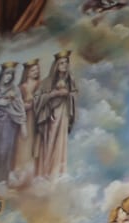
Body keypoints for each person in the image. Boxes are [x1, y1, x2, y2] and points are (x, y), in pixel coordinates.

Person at [33, 51, 77, 180]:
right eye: (61, 63)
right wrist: (52, 95)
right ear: (56, 65)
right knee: (49, 143)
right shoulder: (47, 82)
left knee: (60, 143)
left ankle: (57, 172)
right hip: (49, 116)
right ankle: (46, 171)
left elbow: (74, 94)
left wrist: (67, 94)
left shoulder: (70, 81)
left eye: (66, 63)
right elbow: (36, 98)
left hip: (63, 114)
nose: (64, 65)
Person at [12, 59, 40, 179]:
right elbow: (16, 104)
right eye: (33, 70)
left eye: (37, 70)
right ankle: (20, 169)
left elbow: (42, 99)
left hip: (36, 118)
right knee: (22, 142)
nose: (36, 72)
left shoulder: (39, 84)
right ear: (27, 72)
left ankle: (32, 170)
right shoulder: (21, 87)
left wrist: (33, 104)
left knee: (34, 142)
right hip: (24, 119)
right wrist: (23, 106)